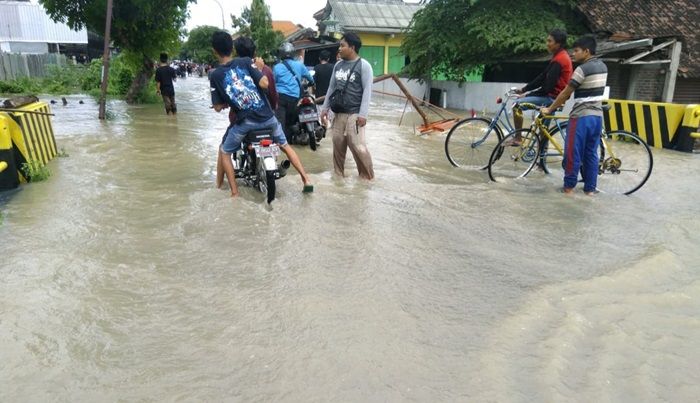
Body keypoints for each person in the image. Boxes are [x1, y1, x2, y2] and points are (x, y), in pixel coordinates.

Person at [209, 32, 313, 197]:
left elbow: (216, 106)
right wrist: (257, 70)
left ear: (214, 50)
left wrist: (225, 103)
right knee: (285, 145)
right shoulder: (246, 62)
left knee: (224, 151)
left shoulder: (214, 75)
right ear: (232, 48)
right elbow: (264, 84)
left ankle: (234, 192)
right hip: (268, 117)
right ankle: (306, 179)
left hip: (245, 123)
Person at [542, 35, 608, 195]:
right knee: (591, 155)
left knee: (572, 153)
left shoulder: (582, 69)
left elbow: (566, 93)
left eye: (577, 51)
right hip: (597, 118)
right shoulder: (603, 67)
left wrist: (549, 109)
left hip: (581, 117)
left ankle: (568, 189)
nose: (573, 54)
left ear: (586, 51)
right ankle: (589, 190)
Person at [216, 39, 280, 190]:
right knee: (280, 142)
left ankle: (218, 186)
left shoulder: (235, 71)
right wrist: (273, 109)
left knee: (223, 148)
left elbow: (229, 98)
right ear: (255, 52)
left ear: (236, 52)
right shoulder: (267, 71)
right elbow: (273, 95)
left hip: (242, 120)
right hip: (267, 116)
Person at [320, 32, 374, 180]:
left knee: (358, 147)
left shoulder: (364, 66)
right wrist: (325, 108)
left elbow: (367, 91)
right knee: (337, 146)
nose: (339, 48)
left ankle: (367, 177)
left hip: (355, 114)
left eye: (342, 46)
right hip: (338, 114)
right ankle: (338, 177)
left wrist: (363, 115)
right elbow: (331, 88)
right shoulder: (338, 65)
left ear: (352, 47)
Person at [508, 29, 573, 144]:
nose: (547, 43)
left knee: (516, 106)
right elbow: (542, 77)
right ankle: (541, 158)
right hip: (555, 98)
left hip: (552, 98)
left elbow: (547, 88)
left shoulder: (559, 60)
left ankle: (518, 138)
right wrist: (524, 89)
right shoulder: (559, 57)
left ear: (558, 44)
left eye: (550, 41)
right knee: (543, 129)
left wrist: (527, 94)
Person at [273, 42, 315, 140]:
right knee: (291, 121)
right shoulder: (299, 65)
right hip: (295, 98)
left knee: (280, 123)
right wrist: (312, 83)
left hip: (281, 98)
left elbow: (273, 82)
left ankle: (282, 144)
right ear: (293, 53)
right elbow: (310, 78)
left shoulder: (277, 67)